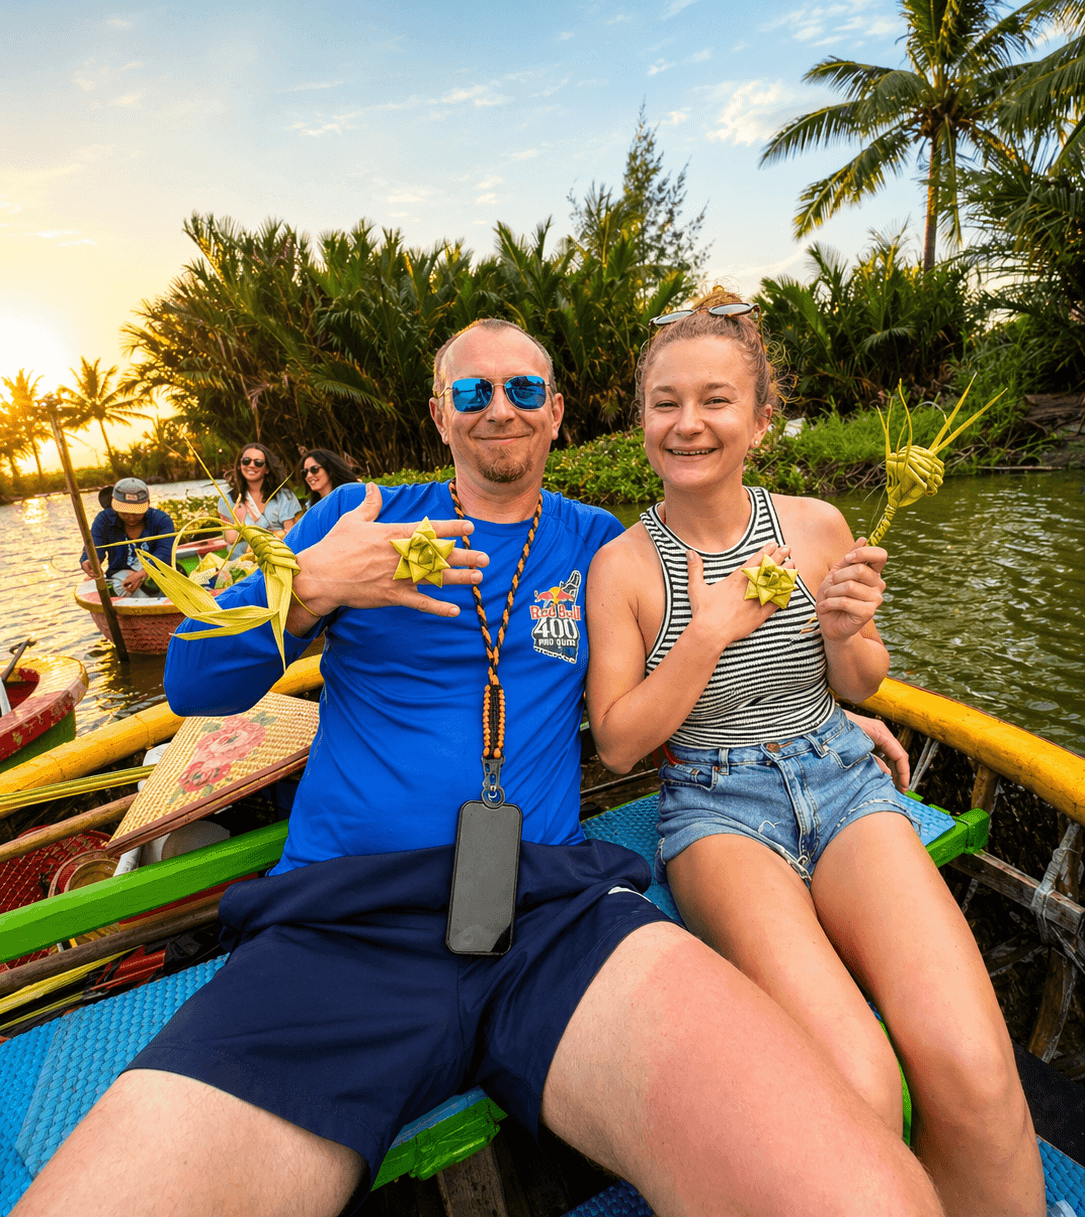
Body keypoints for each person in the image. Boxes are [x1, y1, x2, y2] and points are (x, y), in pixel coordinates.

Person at [17, 319, 943, 1217]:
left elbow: (674, 675)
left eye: (523, 389)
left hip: (554, 910)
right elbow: (191, 680)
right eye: (472, 389)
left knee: (852, 1191)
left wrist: (817, 717)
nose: (499, 406)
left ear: (555, 412)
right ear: (438, 414)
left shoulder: (599, 544)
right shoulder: (358, 518)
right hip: (346, 923)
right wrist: (311, 586)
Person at [585, 292, 1044, 1217]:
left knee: (974, 1063)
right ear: (640, 420)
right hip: (716, 808)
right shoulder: (625, 567)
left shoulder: (815, 525)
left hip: (837, 774)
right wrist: (708, 630)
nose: (687, 423)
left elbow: (863, 681)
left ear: (759, 417)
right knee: (856, 1076)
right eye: (663, 402)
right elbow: (621, 739)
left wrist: (845, 629)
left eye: (715, 399)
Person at [80, 477, 178, 599]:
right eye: (124, 513)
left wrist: (143, 573)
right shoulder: (104, 520)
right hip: (120, 576)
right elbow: (95, 545)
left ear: (147, 505)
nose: (131, 518)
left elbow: (166, 551)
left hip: (158, 573)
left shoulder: (161, 520)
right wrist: (89, 561)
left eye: (136, 513)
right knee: (122, 586)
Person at [219, 442, 301, 558]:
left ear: (267, 469)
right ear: (239, 465)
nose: (251, 465)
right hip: (241, 562)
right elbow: (231, 539)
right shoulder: (228, 500)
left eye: (258, 463)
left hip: (277, 557)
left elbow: (291, 533)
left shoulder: (284, 496)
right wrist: (240, 520)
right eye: (246, 461)